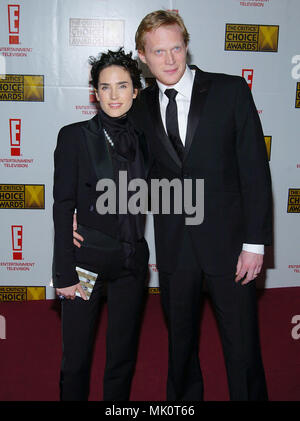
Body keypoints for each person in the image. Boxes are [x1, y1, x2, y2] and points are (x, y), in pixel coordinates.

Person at [131, 10, 272, 401]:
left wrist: (255, 244)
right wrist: (84, 212)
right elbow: (130, 177)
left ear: (187, 46)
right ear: (142, 56)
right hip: (175, 249)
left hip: (232, 248)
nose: (170, 59)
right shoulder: (138, 107)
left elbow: (255, 172)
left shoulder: (230, 91)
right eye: (159, 51)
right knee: (181, 352)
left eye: (176, 47)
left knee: (243, 349)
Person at [52, 48, 150, 401]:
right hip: (85, 261)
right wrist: (63, 273)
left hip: (132, 263)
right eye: (104, 87)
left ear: (136, 91)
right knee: (76, 356)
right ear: (94, 92)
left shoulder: (148, 139)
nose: (113, 95)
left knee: (122, 356)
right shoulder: (74, 136)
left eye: (122, 86)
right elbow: (62, 205)